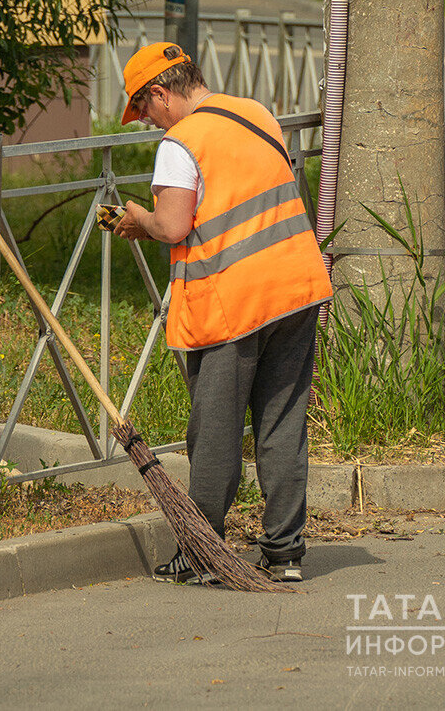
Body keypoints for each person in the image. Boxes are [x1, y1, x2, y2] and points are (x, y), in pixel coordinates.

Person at [109, 42, 333, 584]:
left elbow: (172, 226)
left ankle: (201, 550)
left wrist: (138, 218)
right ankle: (285, 555)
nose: (144, 121)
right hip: (297, 288)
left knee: (216, 430)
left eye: (142, 108)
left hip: (235, 301)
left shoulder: (180, 142)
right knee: (282, 424)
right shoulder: (255, 112)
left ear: (160, 93)